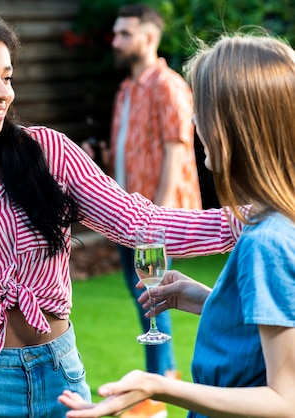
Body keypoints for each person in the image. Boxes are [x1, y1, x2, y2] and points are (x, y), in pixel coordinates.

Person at [0, 7, 242, 418]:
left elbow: (139, 222)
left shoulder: (49, 152)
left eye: (6, 77)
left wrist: (249, 220)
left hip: (61, 376)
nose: (3, 92)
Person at [58, 33, 295, 418]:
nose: (193, 122)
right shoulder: (279, 220)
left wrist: (157, 385)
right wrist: (212, 301)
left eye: (201, 109)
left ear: (233, 127)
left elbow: (285, 401)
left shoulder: (267, 239)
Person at [103, 5, 201, 416]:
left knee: (156, 301)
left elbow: (177, 150)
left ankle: (155, 397)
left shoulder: (168, 86)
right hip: (129, 219)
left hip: (156, 220)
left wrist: (155, 221)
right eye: (116, 33)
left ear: (148, 37)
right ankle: (165, 380)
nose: (116, 41)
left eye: (124, 33)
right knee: (146, 301)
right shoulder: (127, 90)